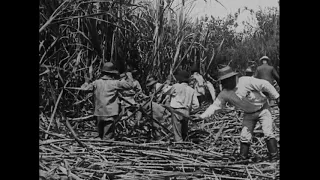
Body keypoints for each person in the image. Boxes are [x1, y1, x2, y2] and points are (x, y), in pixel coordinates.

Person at [194, 66, 280, 163]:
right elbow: (215, 106)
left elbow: (265, 84)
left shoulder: (246, 81)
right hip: (248, 113)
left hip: (263, 109)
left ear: (232, 78)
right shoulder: (225, 93)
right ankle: (243, 158)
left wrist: (277, 97)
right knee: (244, 136)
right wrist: (201, 116)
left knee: (268, 133)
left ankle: (274, 157)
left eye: (225, 80)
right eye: (222, 81)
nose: (223, 83)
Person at [80, 62, 134, 140]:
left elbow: (84, 89)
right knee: (108, 137)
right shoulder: (115, 83)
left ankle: (98, 149)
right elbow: (130, 86)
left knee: (101, 135)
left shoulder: (96, 83)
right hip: (110, 113)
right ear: (112, 74)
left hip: (99, 113)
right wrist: (129, 76)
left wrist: (86, 82)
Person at [166, 70, 199, 142]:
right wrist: (190, 111)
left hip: (176, 111)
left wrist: (167, 83)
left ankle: (179, 145)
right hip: (186, 111)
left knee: (177, 132)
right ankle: (186, 143)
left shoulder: (176, 86)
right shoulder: (191, 90)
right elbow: (196, 105)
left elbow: (165, 91)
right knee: (184, 129)